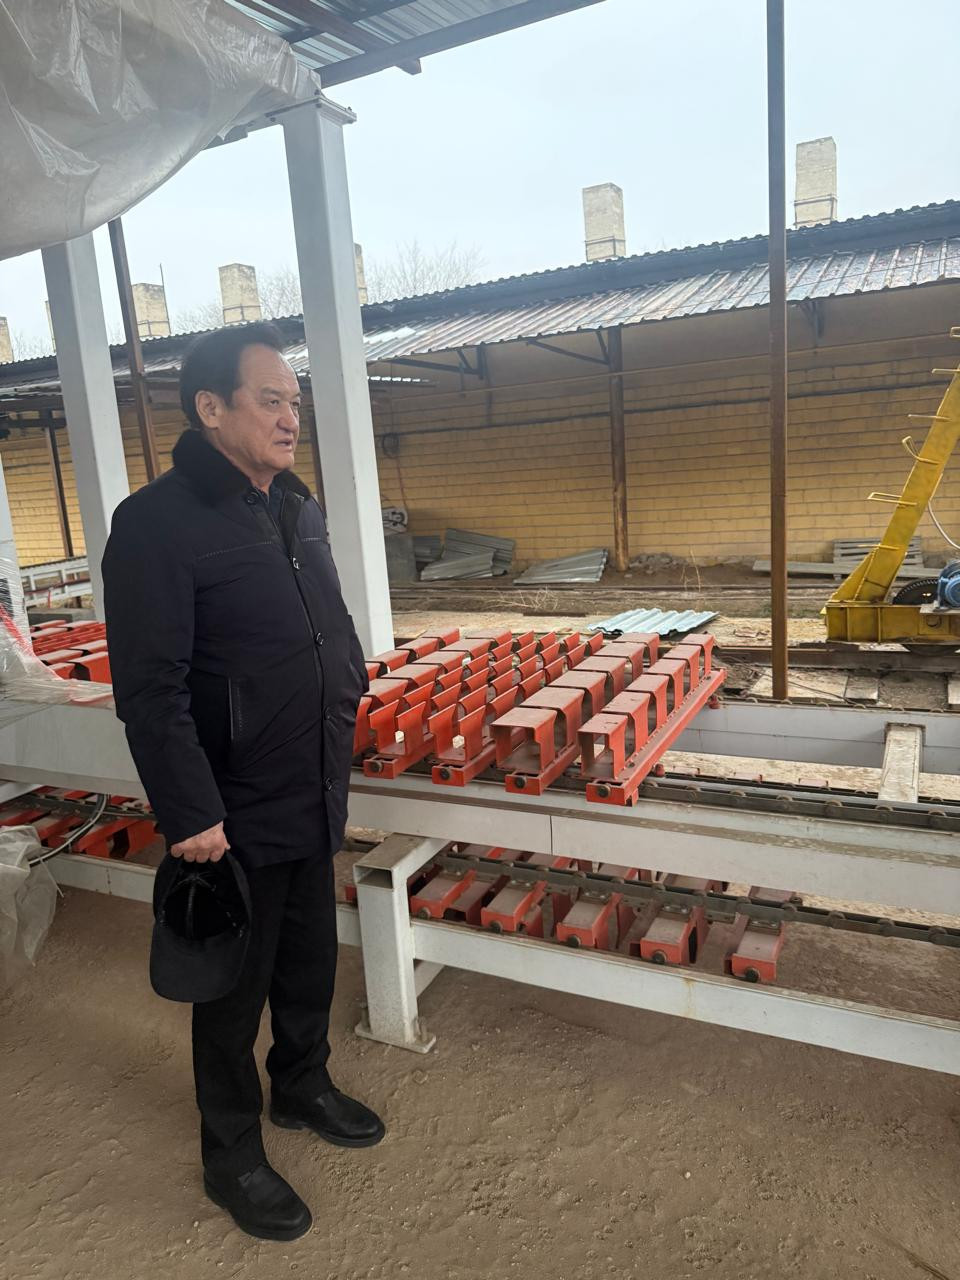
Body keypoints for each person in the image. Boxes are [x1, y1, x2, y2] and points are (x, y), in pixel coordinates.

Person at [102, 323, 381, 1243]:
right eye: (271, 400)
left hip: (311, 777)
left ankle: (301, 1084)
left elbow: (326, 626)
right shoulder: (156, 523)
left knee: (308, 958)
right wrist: (191, 812)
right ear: (211, 408)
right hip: (231, 805)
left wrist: (348, 685)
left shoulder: (297, 506)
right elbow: (150, 688)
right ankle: (230, 1153)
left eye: (295, 402)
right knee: (232, 989)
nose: (291, 417)